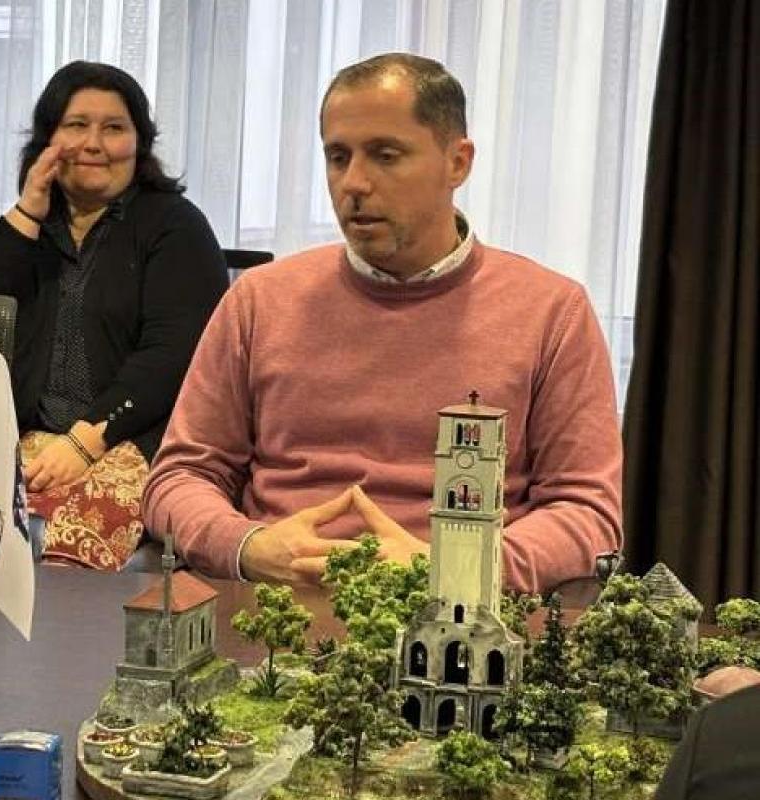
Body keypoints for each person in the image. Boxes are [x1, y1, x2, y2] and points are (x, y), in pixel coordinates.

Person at [142, 53, 622, 595]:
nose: (354, 183)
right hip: (274, 604)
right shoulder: (260, 300)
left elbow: (586, 512)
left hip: (456, 614)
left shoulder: (551, 311)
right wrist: (248, 546)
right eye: (338, 157)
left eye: (385, 155)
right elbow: (179, 477)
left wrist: (450, 569)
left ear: (458, 162)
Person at [0, 61, 228, 571]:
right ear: (48, 140)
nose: (93, 144)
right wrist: (28, 209)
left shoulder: (176, 226)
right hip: (29, 435)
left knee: (63, 543)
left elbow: (171, 356)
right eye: (76, 125)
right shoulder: (33, 226)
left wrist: (85, 442)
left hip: (136, 439)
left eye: (113, 128)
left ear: (138, 143)